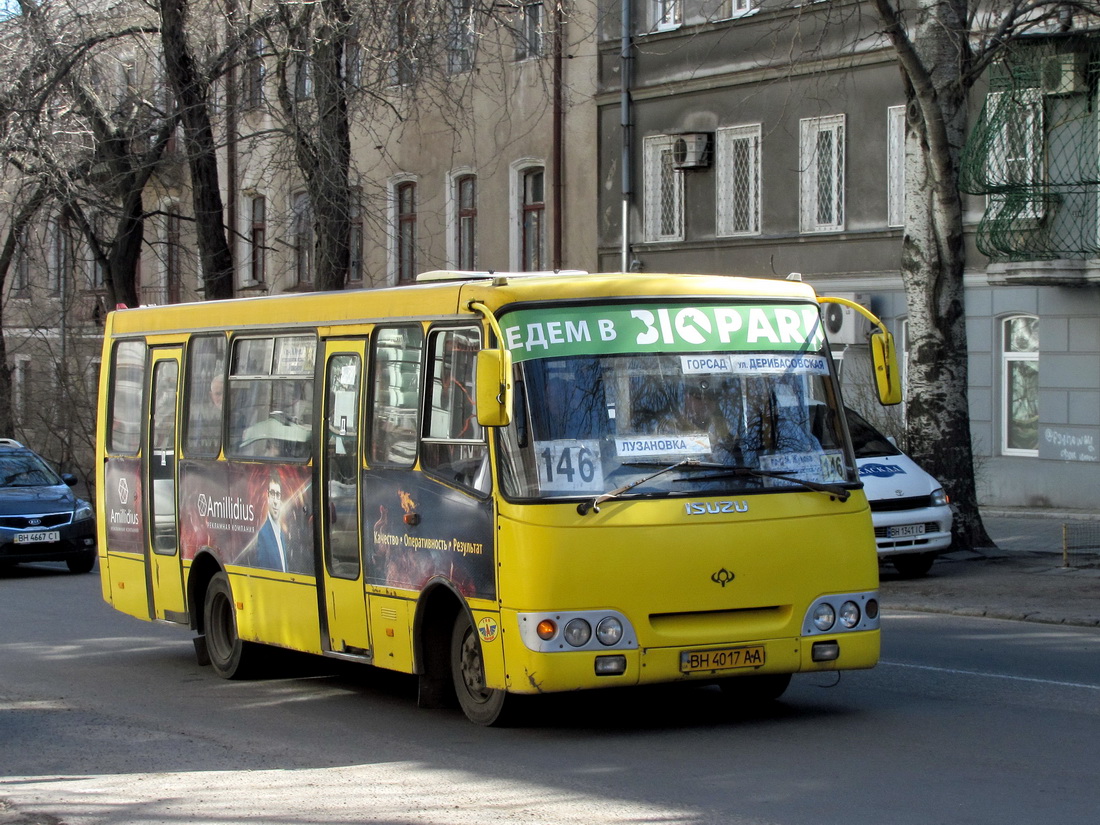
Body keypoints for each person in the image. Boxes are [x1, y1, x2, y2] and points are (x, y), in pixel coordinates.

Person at [254, 470, 290, 572]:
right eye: (272, 494)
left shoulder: (281, 533)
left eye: (278, 495)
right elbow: (264, 572)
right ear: (268, 496)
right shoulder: (264, 534)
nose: (275, 501)